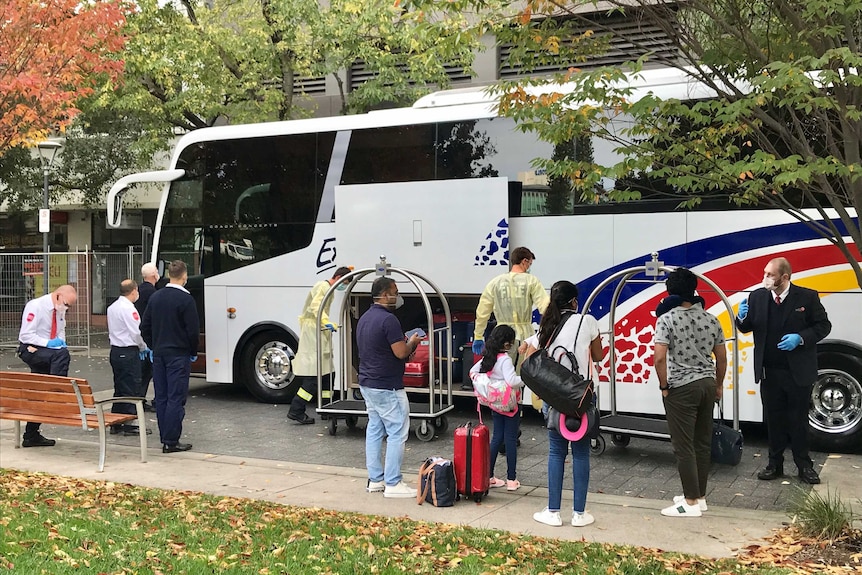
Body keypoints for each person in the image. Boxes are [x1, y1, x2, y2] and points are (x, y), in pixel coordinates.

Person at [736, 257, 831, 485]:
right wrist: (741, 317)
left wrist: (801, 338)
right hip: (769, 371)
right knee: (774, 419)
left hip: (797, 372)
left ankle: (804, 465)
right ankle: (774, 464)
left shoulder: (807, 297)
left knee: (798, 420)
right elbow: (747, 327)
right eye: (765, 273)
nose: (766, 278)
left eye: (771, 275)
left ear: (785, 277)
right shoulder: (757, 296)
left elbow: (823, 326)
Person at [523, 280, 604, 527]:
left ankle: (553, 512)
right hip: (581, 397)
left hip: (555, 398)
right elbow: (599, 355)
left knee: (556, 453)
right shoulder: (587, 321)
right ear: (574, 302)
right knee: (581, 454)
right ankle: (579, 514)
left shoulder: (546, 326)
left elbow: (527, 354)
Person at [653, 268, 727, 517]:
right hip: (707, 383)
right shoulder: (711, 318)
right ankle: (700, 496)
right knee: (702, 443)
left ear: (670, 293)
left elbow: (659, 358)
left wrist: (664, 386)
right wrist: (718, 385)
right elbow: (722, 358)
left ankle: (690, 502)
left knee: (683, 446)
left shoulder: (667, 319)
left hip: (682, 387)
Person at [356, 276, 422, 498]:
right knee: (397, 432)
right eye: (395, 291)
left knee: (374, 428)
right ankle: (393, 483)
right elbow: (401, 353)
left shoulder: (365, 318)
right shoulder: (389, 320)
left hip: (367, 382)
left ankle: (375, 479)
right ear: (385, 294)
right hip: (388, 386)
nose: (398, 295)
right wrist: (412, 342)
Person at [141, 260, 200, 454]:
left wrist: (152, 345)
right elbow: (192, 331)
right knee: (176, 397)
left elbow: (145, 326)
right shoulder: (186, 300)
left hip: (159, 354)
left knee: (162, 396)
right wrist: (192, 351)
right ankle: (171, 440)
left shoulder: (156, 297)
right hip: (178, 354)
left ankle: (165, 437)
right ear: (184, 276)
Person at [287, 266, 352, 425]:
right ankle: (296, 409)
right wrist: (326, 322)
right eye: (343, 282)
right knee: (314, 377)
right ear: (337, 277)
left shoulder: (328, 288)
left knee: (328, 375)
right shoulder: (322, 287)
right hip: (313, 333)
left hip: (319, 333)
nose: (343, 286)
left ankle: (327, 409)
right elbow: (316, 308)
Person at [15, 284, 78, 447]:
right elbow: (26, 335)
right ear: (58, 296)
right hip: (31, 348)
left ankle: (31, 435)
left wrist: (60, 343)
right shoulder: (36, 306)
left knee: (40, 392)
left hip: (48, 352)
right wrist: (49, 343)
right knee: (61, 356)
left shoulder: (60, 309)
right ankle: (57, 392)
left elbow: (60, 330)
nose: (67, 308)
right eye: (66, 304)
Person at [469, 324, 524, 491]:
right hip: (510, 405)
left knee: (496, 438)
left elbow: (473, 371)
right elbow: (512, 381)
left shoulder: (488, 356)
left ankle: (489, 476)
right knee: (510, 440)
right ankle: (512, 480)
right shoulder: (505, 359)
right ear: (507, 344)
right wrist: (527, 378)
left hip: (495, 403)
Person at [472, 246, 550, 358]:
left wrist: (478, 336)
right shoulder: (531, 281)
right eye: (530, 264)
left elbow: (482, 313)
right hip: (525, 337)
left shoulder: (495, 283)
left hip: (501, 335)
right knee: (524, 372)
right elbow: (545, 307)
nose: (529, 267)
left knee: (501, 371)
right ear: (524, 261)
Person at [107, 279, 151, 436]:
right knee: (132, 387)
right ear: (134, 291)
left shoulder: (112, 307)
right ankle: (129, 423)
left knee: (120, 387)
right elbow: (136, 332)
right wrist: (143, 347)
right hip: (129, 351)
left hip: (116, 351)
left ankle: (116, 421)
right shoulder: (129, 309)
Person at [135, 262, 160, 412]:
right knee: (149, 371)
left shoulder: (137, 291)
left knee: (142, 372)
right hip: (149, 336)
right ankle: (143, 399)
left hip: (138, 334)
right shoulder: (153, 293)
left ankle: (140, 399)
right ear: (153, 275)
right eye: (156, 271)